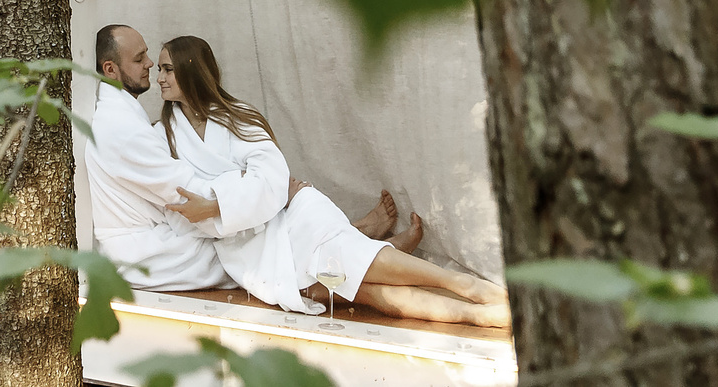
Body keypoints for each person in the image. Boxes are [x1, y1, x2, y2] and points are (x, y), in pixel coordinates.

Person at [154, 34, 512, 328]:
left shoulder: (237, 118)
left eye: (167, 69)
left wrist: (219, 204)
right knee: (358, 289)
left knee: (346, 262)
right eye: (158, 69)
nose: (159, 78)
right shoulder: (163, 137)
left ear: (191, 70)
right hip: (248, 249)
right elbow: (183, 200)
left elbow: (273, 178)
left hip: (292, 217)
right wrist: (242, 189)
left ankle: (466, 286)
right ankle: (475, 314)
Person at [85, 23, 235, 292]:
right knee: (257, 247)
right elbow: (183, 193)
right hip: (144, 257)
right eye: (139, 59)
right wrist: (250, 193)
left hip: (152, 244)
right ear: (110, 69)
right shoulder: (121, 127)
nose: (150, 64)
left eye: (147, 54)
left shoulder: (123, 116)